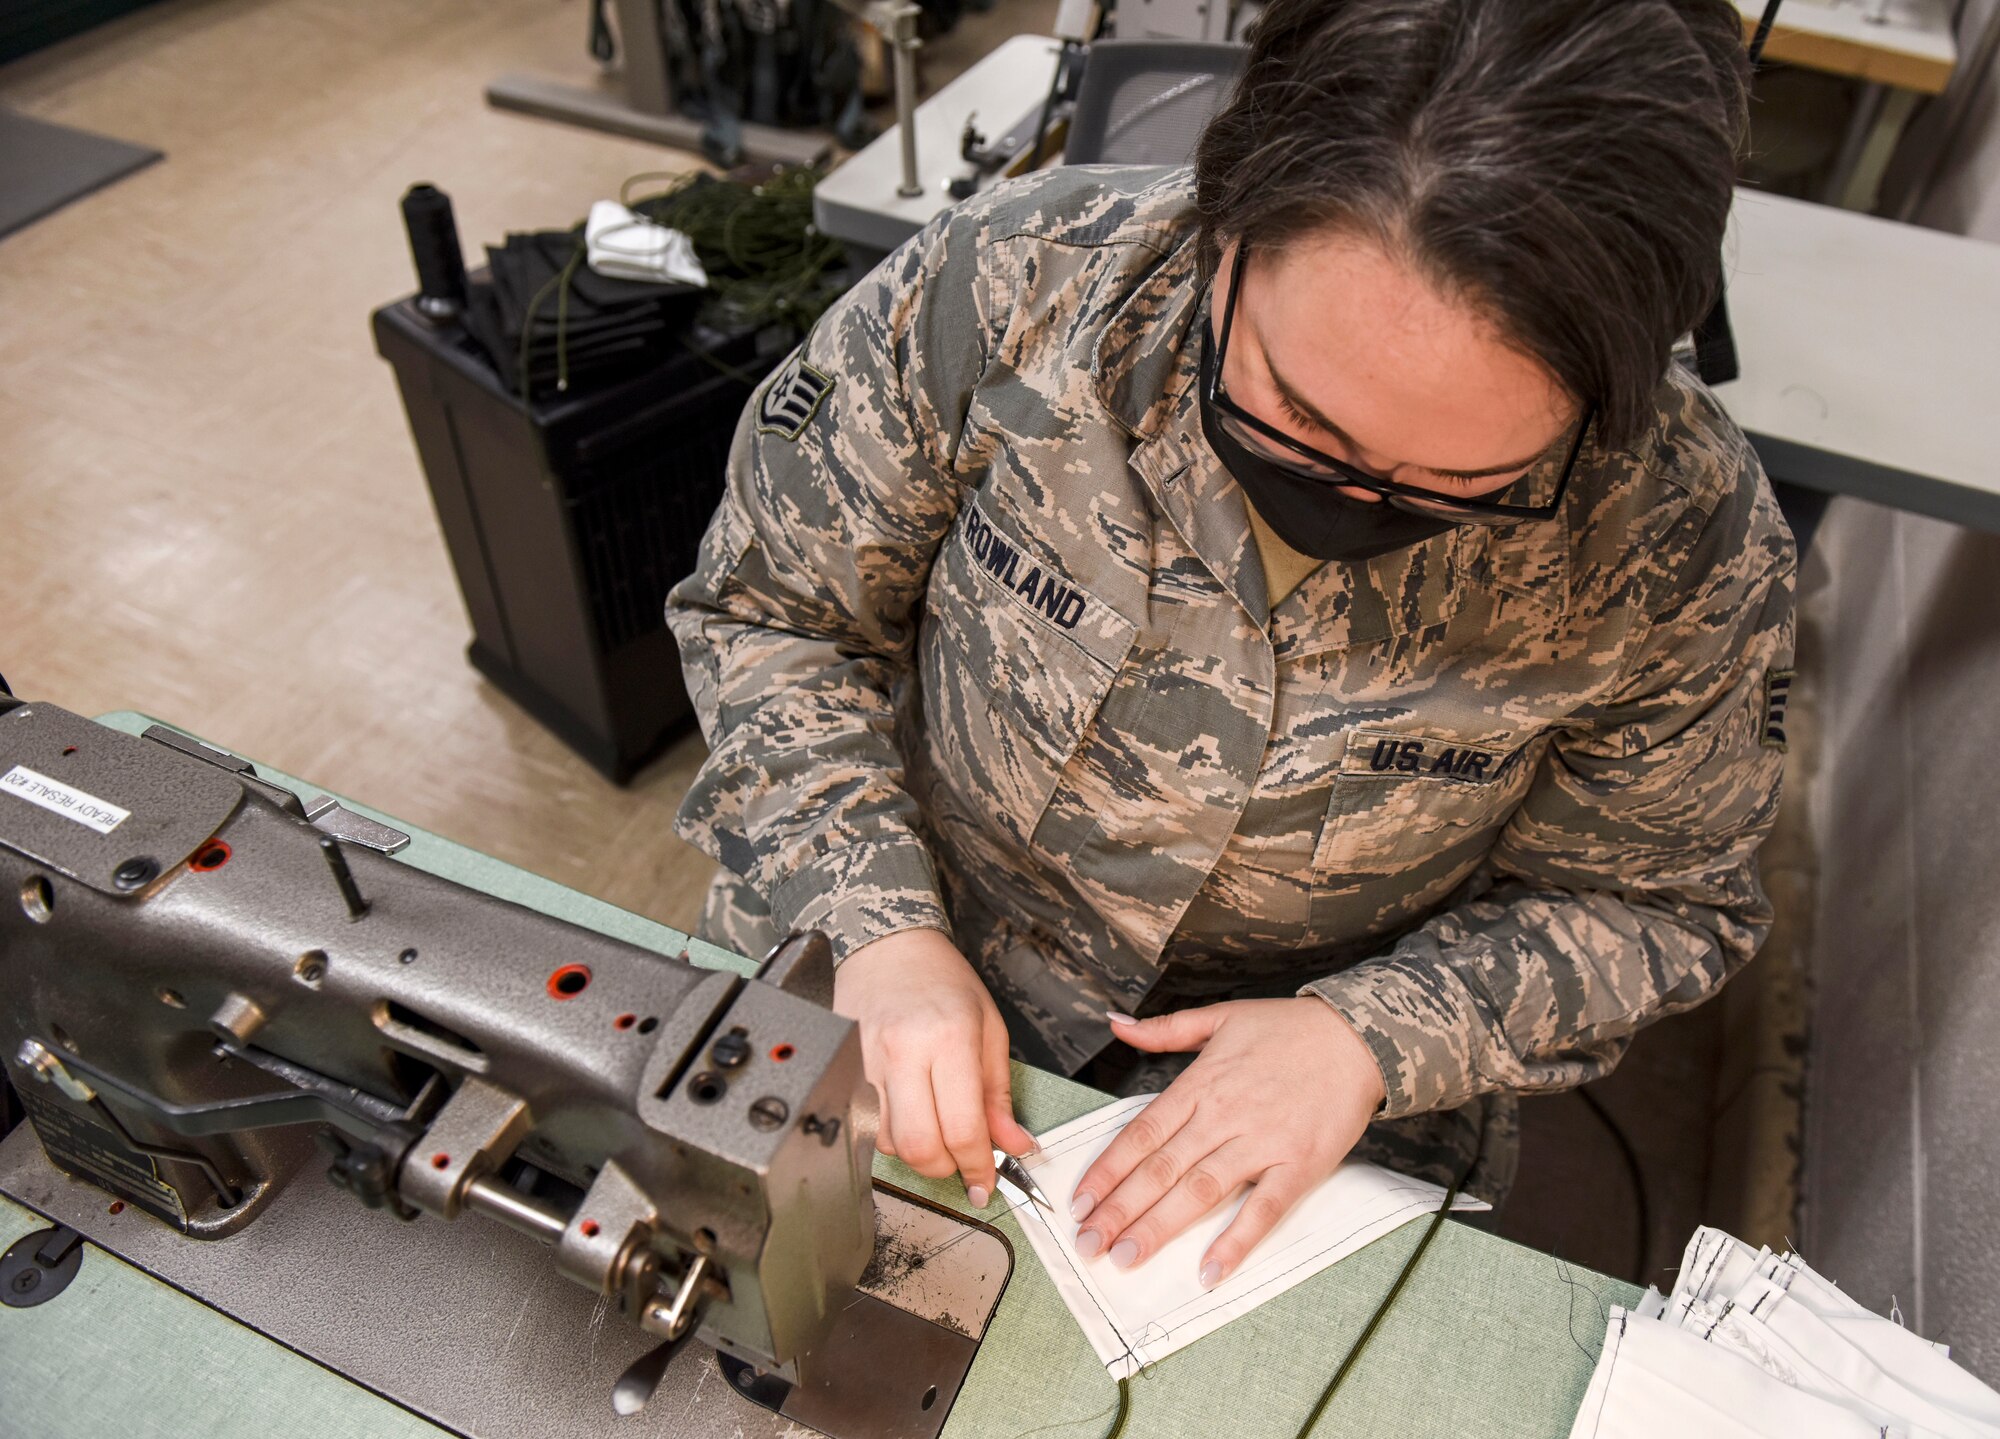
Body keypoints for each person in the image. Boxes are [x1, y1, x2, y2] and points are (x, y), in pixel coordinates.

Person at [667, 0, 1793, 1295]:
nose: (1350, 502)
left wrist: (1370, 1038)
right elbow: (773, 612)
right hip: (895, 940)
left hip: (1299, 1076)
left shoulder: (1684, 536)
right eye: (1296, 416)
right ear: (1223, 221)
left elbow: (1660, 898)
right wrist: (870, 921)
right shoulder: (1015, 286)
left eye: (1456, 484)